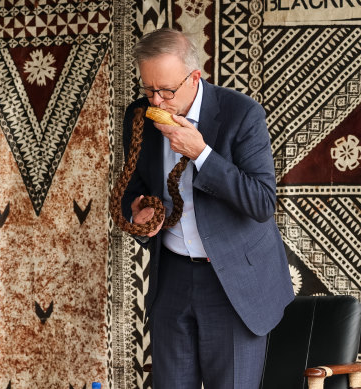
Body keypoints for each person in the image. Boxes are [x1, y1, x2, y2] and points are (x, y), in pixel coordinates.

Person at [120, 28, 294, 388]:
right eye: (148, 89)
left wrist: (202, 154)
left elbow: (262, 202)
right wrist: (136, 212)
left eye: (166, 90)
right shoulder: (139, 116)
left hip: (233, 284)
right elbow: (131, 187)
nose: (157, 101)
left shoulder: (242, 114)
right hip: (171, 279)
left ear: (194, 77)